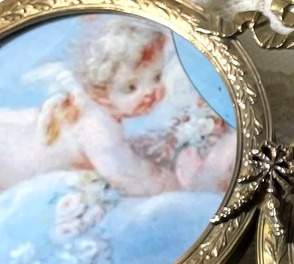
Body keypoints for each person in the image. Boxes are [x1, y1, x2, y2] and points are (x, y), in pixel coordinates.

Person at [0, 18, 179, 198]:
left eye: (156, 77)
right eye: (130, 88)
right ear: (101, 95)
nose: (150, 92)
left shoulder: (88, 104)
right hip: (12, 162)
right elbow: (128, 176)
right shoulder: (99, 128)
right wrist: (169, 183)